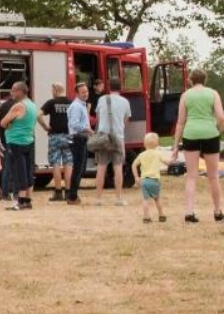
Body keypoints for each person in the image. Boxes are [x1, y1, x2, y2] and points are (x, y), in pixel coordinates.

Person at [170, 68, 224, 223]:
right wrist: (216, 128)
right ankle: (217, 211)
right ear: (205, 80)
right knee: (213, 176)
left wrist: (175, 146)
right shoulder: (213, 93)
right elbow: (221, 117)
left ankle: (189, 212)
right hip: (210, 134)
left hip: (191, 134)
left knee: (191, 176)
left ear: (190, 80)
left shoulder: (185, 95)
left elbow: (180, 122)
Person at [0, 81, 38, 210]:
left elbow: (3, 123)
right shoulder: (32, 105)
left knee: (18, 172)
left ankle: (20, 201)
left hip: (16, 142)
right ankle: (27, 200)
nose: (12, 93)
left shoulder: (18, 106)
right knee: (27, 171)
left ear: (21, 91)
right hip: (28, 140)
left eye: (13, 90)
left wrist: (10, 125)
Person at [94, 77, 131, 205]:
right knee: (118, 167)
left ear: (109, 87)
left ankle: (99, 199)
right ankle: (119, 198)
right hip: (118, 137)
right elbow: (126, 120)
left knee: (101, 167)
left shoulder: (101, 99)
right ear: (120, 87)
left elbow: (98, 117)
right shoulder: (125, 102)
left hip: (103, 136)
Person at [39, 83, 72, 202]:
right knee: (69, 163)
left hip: (55, 136)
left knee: (56, 164)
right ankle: (68, 192)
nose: (51, 92)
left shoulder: (51, 102)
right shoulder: (70, 102)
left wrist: (45, 127)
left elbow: (38, 115)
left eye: (52, 89)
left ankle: (58, 192)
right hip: (68, 136)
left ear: (56, 90)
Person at [66, 82, 93, 204]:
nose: (85, 94)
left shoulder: (82, 105)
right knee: (78, 168)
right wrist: (87, 128)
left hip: (82, 138)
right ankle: (72, 196)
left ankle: (73, 194)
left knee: (81, 168)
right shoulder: (77, 106)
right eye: (82, 92)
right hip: (78, 139)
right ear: (77, 93)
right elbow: (74, 124)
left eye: (86, 91)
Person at [133, 132, 166, 223]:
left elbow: (134, 165)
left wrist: (136, 177)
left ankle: (146, 217)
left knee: (145, 199)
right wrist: (173, 159)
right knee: (157, 199)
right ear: (157, 144)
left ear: (144, 144)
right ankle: (161, 215)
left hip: (144, 181)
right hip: (155, 180)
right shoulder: (157, 154)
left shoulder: (141, 155)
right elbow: (167, 162)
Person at [0, 92, 15, 202]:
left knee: (6, 167)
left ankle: (5, 192)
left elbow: (0, 123)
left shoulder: (2, 106)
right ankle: (13, 191)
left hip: (4, 139)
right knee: (16, 167)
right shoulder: (19, 105)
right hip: (15, 139)